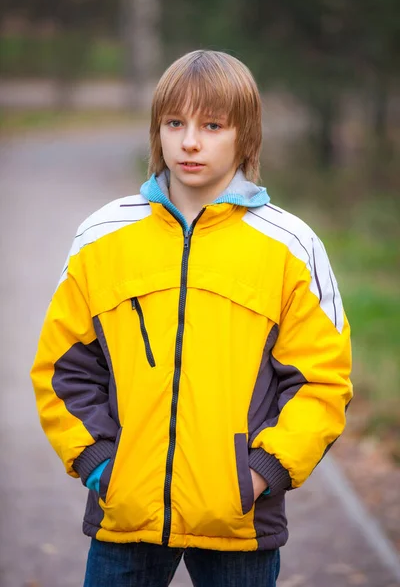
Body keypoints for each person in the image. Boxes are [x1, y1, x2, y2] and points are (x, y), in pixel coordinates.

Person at [31, 50, 352, 587]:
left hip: (238, 520)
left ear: (245, 137)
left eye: (212, 125)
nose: (190, 142)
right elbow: (63, 369)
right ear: (157, 131)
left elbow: (322, 381)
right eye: (175, 123)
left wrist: (259, 475)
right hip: (126, 516)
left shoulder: (291, 247)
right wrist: (100, 463)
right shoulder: (103, 237)